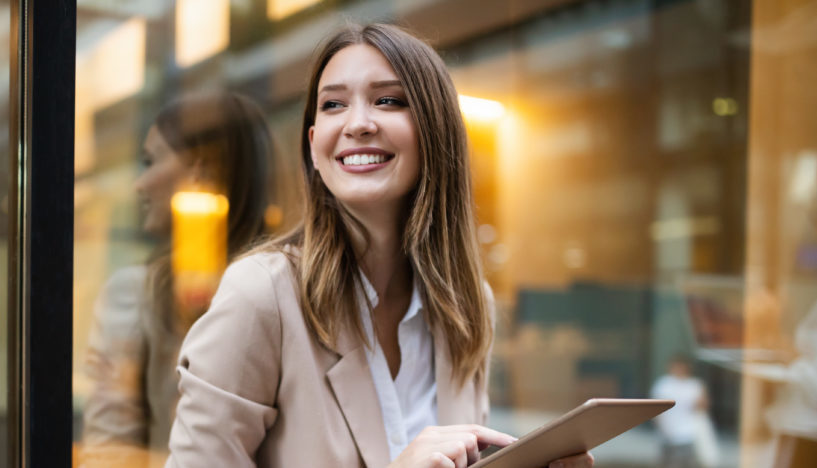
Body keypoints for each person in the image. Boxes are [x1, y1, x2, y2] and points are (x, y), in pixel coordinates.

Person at [164, 24, 593, 468]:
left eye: (387, 100)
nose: (358, 124)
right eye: (333, 105)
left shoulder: (467, 305)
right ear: (314, 145)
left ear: (435, 131)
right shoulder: (262, 294)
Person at [81, 91, 276, 462]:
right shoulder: (296, 287)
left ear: (199, 171)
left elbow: (109, 452)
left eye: (150, 161)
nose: (140, 184)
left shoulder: (135, 294)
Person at [650, 354, 710, 468]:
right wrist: (661, 426)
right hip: (666, 433)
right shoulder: (663, 384)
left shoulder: (694, 385)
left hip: (687, 433)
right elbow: (655, 409)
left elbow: (702, 406)